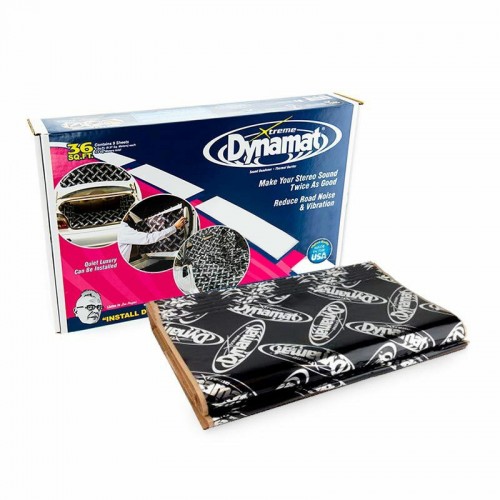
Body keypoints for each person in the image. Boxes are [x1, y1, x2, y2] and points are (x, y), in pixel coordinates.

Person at [118, 213, 187, 262]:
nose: (128, 213)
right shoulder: (122, 230)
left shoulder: (122, 228)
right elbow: (148, 238)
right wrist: (174, 227)